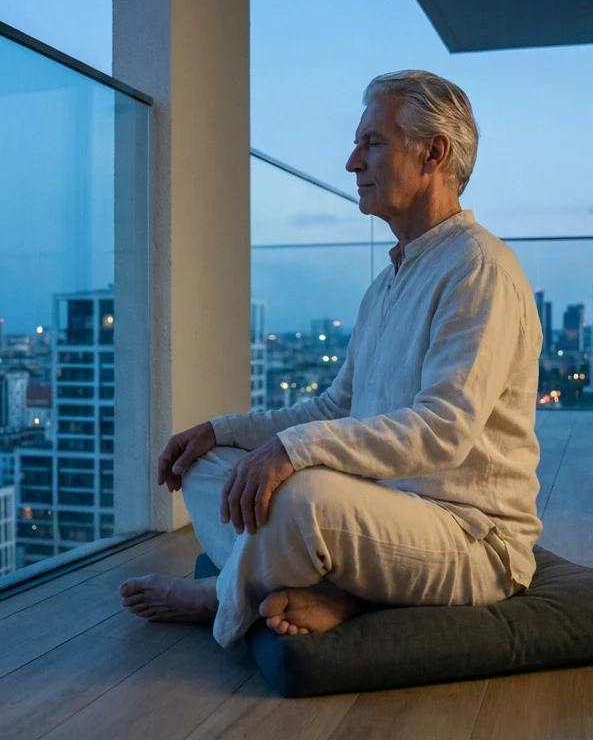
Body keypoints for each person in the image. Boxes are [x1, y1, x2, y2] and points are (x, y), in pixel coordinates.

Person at [120, 69, 544, 648]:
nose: (351, 163)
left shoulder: (479, 270)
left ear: (433, 154)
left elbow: (445, 430)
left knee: (298, 497)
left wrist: (293, 452)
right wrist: (222, 432)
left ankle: (223, 594)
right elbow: (335, 406)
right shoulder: (389, 283)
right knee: (210, 464)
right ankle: (338, 585)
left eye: (372, 143)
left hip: (468, 535)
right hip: (380, 512)